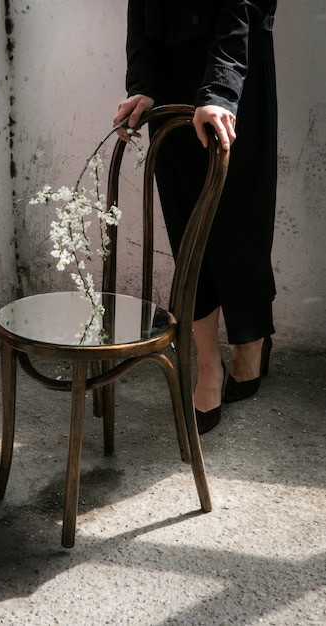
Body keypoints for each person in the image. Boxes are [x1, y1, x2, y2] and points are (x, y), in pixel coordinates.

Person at [113, 1, 278, 433]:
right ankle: (208, 365)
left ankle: (250, 342)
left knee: (241, 222)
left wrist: (220, 90)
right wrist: (144, 82)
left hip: (235, 61)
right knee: (187, 226)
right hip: (170, 71)